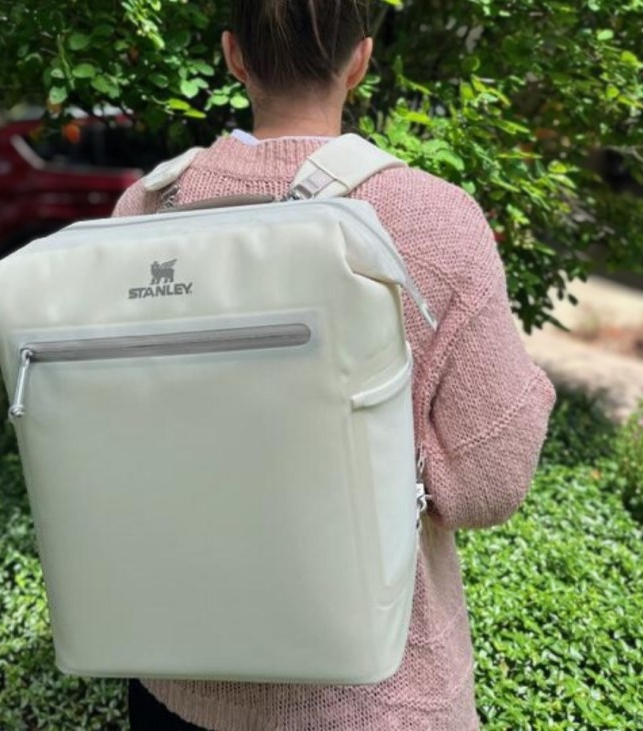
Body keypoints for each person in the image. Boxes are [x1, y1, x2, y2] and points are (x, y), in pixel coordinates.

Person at [112, 1, 556, 728]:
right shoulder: (433, 223)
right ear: (360, 61)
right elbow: (489, 485)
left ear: (233, 57)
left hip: (176, 678)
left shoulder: (147, 211)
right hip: (368, 694)